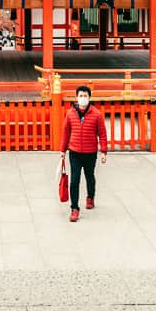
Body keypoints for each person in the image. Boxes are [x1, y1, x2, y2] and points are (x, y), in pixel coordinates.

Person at [59, 85, 108, 222]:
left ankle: (90, 197)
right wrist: (62, 150)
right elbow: (65, 133)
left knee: (89, 177)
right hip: (74, 152)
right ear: (76, 97)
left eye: (85, 96)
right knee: (74, 180)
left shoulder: (96, 114)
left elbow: (102, 134)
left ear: (89, 98)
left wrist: (104, 151)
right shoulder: (70, 114)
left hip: (90, 152)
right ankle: (74, 208)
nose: (83, 98)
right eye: (80, 96)